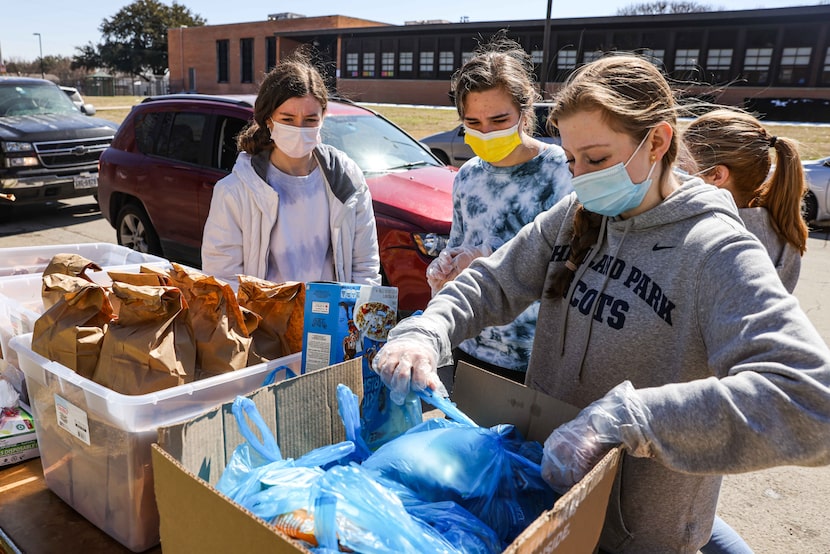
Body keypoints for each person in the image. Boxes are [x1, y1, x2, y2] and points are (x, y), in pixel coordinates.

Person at [372, 54, 830, 553]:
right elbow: (496, 281)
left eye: (596, 159)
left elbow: (810, 400)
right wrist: (425, 330)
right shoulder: (578, 212)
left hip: (640, 530)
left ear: (657, 141)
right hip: (551, 498)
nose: (581, 177)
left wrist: (631, 418)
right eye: (570, 160)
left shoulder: (716, 251)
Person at [425, 36, 572, 383]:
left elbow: (572, 270)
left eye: (498, 119)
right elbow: (456, 245)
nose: (486, 132)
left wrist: (490, 260)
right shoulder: (467, 175)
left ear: (526, 109)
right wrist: (444, 270)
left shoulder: (561, 171)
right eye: (473, 123)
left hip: (535, 358)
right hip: (471, 348)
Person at [201, 52, 381, 287]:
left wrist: (355, 319)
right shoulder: (234, 191)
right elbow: (223, 279)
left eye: (309, 120)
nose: (299, 128)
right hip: (265, 322)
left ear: (323, 117)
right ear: (268, 120)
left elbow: (366, 267)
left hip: (332, 320)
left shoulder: (348, 181)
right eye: (287, 119)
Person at [681, 108, 808, 292]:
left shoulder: (712, 242)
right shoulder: (778, 233)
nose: (676, 174)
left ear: (717, 175)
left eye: (683, 165)